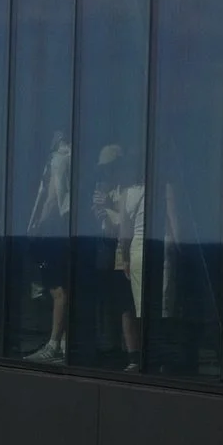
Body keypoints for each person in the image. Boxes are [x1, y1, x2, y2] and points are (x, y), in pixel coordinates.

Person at [90, 143, 146, 371]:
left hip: (126, 251)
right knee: (114, 303)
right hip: (108, 250)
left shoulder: (130, 189)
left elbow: (126, 224)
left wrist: (111, 209)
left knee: (129, 304)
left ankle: (134, 353)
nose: (107, 173)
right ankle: (114, 347)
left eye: (111, 167)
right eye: (104, 169)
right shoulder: (109, 188)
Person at [25, 130, 74, 363]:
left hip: (53, 229)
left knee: (56, 289)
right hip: (65, 229)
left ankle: (54, 343)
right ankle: (63, 343)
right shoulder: (73, 158)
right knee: (59, 287)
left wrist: (39, 227)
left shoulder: (59, 160)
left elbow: (54, 197)